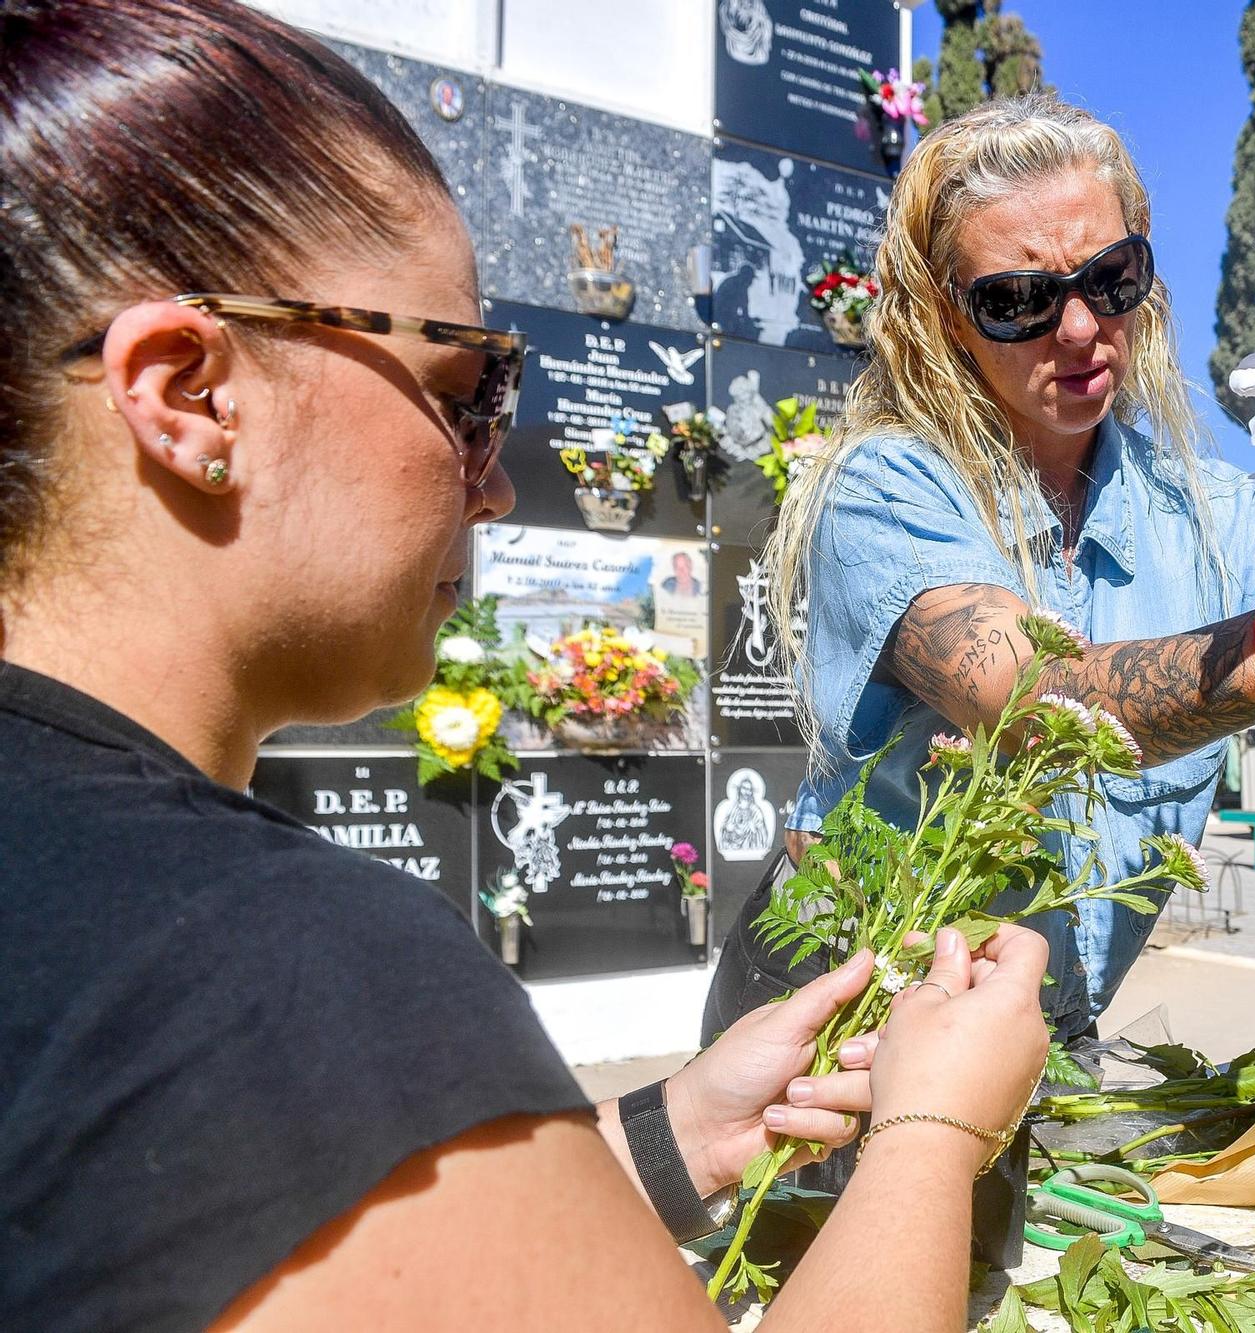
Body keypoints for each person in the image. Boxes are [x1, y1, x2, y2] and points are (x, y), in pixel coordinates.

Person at [0, 4, 1048, 1329]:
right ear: (192, 393)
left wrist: (665, 1140)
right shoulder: (265, 971)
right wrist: (936, 1126)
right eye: (469, 386)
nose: (492, 485)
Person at [705, 93, 1255, 1046]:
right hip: (838, 1020)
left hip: (1037, 1033)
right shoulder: (882, 487)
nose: (1083, 328)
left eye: (1112, 276)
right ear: (943, 321)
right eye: (1019, 300)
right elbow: (1030, 704)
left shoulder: (1216, 514)